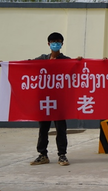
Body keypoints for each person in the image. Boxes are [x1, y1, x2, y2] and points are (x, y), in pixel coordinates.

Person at [29, 32, 72, 166]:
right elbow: (26, 65)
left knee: (61, 128)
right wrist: (7, 65)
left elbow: (78, 69)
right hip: (45, 100)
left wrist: (80, 61)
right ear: (48, 44)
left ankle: (62, 155)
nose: (55, 44)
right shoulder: (42, 59)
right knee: (43, 128)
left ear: (62, 44)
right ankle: (42, 154)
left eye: (58, 41)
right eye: (53, 41)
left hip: (59, 101)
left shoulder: (66, 61)